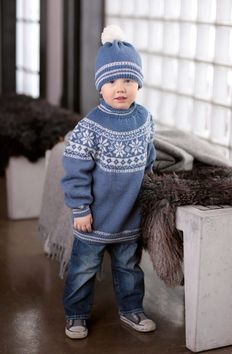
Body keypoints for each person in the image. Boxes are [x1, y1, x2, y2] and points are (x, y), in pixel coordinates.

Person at [61, 25, 157, 339]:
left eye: (129, 80)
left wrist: (149, 193)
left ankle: (131, 310)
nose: (121, 88)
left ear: (138, 84)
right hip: (94, 218)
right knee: (83, 270)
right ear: (100, 86)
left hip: (129, 217)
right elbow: (75, 170)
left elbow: (148, 158)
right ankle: (76, 314)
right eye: (112, 81)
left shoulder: (143, 119)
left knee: (129, 269)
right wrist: (80, 209)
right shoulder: (90, 125)